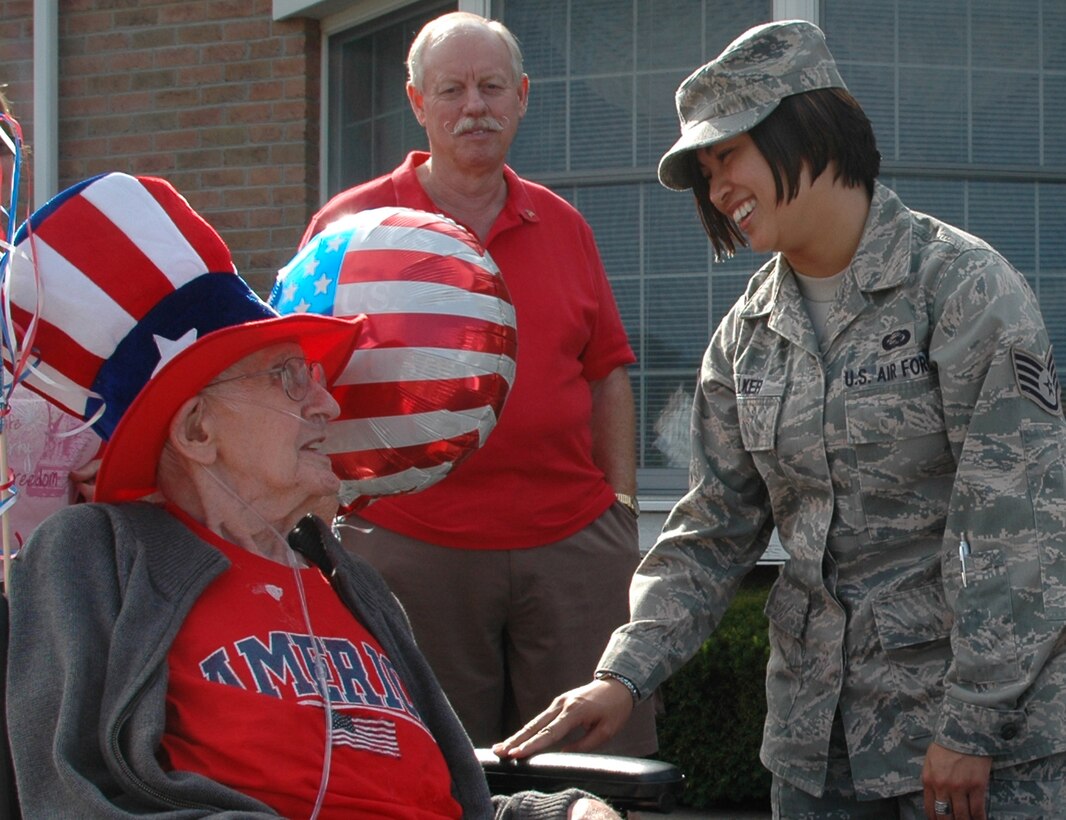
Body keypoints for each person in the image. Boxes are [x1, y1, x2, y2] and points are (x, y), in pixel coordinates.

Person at [494, 19, 1066, 820]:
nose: (715, 185)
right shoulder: (746, 337)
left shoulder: (963, 290)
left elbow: (1018, 524)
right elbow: (713, 528)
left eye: (727, 154)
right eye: (704, 169)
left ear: (803, 123)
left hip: (973, 755)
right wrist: (623, 674)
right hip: (814, 753)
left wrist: (972, 724)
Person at [3, 171, 620, 819]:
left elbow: (448, 795)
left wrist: (565, 812)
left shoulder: (345, 579)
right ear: (196, 430)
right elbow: (72, 795)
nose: (328, 403)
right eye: (289, 378)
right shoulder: (101, 554)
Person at [302, 11, 657, 755]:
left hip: (571, 545)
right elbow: (297, 380)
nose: (475, 106)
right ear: (417, 101)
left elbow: (607, 376)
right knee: (423, 769)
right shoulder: (352, 227)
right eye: (453, 89)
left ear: (523, 96)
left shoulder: (564, 226)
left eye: (492, 87)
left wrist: (620, 512)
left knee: (595, 769)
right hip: (408, 545)